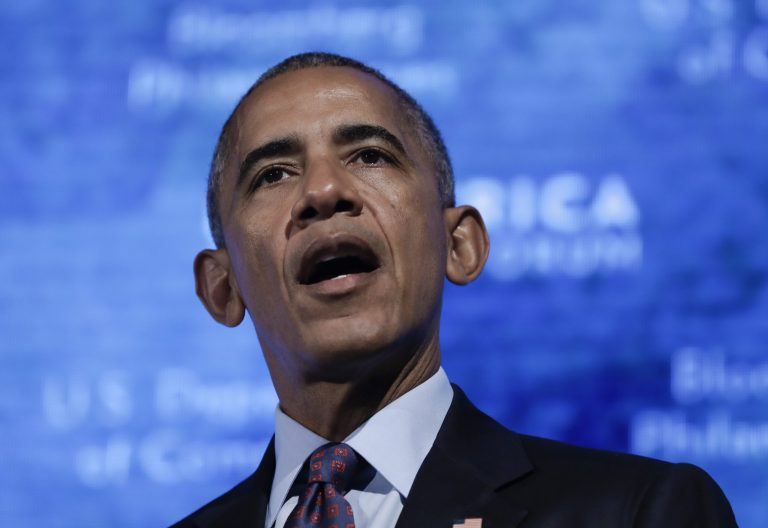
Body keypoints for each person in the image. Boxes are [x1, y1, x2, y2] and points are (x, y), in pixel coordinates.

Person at [172, 52, 736, 528]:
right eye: (273, 173)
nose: (323, 190)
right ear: (222, 288)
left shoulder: (637, 512)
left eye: (370, 155)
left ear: (459, 245)